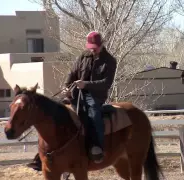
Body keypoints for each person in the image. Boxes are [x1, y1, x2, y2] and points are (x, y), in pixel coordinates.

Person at [26, 31, 117, 170]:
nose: (92, 49)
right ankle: (42, 155)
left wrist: (86, 84)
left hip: (95, 96)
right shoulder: (83, 56)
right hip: (76, 93)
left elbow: (106, 83)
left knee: (93, 114)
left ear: (101, 44)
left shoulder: (109, 60)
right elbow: (72, 73)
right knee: (55, 114)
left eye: (95, 47)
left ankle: (97, 147)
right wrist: (66, 87)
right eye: (90, 46)